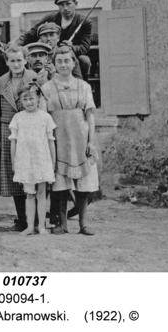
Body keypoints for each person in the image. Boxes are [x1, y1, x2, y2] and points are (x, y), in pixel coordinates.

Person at [42, 44, 99, 236]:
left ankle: (83, 223)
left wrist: (91, 141)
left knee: (83, 184)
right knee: (60, 184)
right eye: (59, 61)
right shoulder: (47, 88)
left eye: (67, 60)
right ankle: (61, 223)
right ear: (54, 63)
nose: (64, 64)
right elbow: (44, 117)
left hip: (81, 137)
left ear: (74, 62)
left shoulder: (83, 86)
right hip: (59, 138)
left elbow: (90, 116)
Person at [0, 44, 38, 232]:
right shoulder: (1, 81)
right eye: (12, 61)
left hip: (30, 128)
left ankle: (36, 219)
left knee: (32, 172)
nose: (16, 64)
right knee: (14, 175)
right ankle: (21, 218)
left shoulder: (35, 79)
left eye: (19, 60)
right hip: (7, 129)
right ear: (6, 62)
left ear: (25, 60)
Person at [9, 83, 56, 235]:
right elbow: (14, 141)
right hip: (25, 160)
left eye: (31, 98)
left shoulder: (45, 117)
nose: (29, 102)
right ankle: (30, 226)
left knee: (41, 192)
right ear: (20, 101)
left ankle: (41, 226)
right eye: (25, 99)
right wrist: (14, 161)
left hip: (41, 159)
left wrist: (53, 162)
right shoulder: (18, 118)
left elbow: (50, 140)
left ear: (38, 98)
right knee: (29, 194)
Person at [19, 0, 92, 81]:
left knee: (84, 60)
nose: (65, 8)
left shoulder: (84, 21)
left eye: (68, 4)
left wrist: (70, 48)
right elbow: (30, 35)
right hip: (49, 54)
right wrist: (15, 45)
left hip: (70, 53)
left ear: (75, 3)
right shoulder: (50, 18)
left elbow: (85, 47)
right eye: (61, 5)